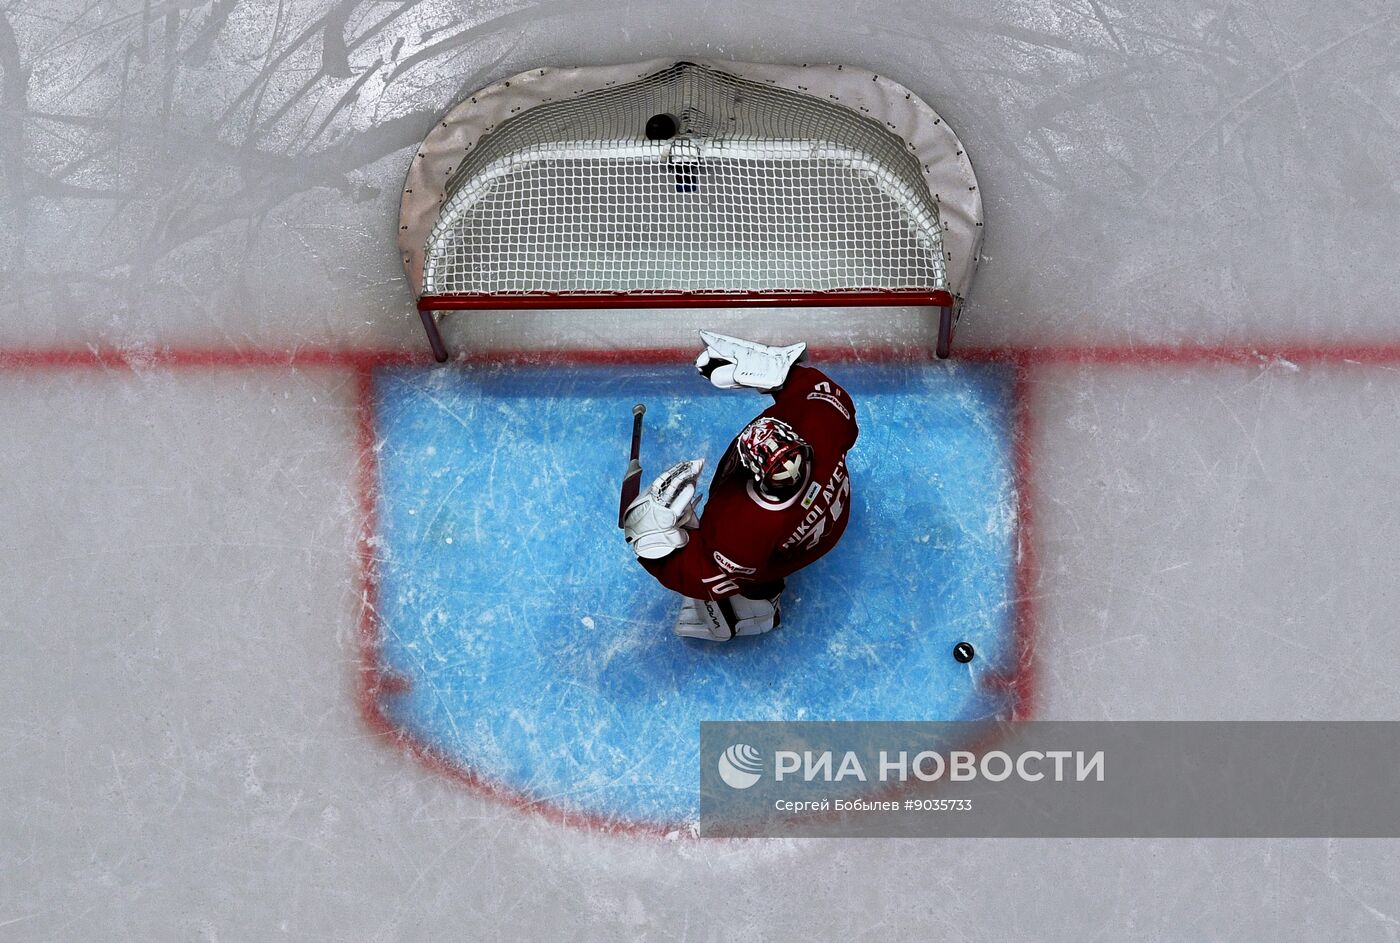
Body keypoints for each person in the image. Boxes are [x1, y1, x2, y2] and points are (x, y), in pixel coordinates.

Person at [622, 331, 860, 641]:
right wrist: (783, 375)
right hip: (830, 521)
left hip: (775, 552)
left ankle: (757, 607)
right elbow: (832, 404)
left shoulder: (744, 527)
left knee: (751, 573)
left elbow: (707, 576)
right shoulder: (822, 423)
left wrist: (649, 543)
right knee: (757, 553)